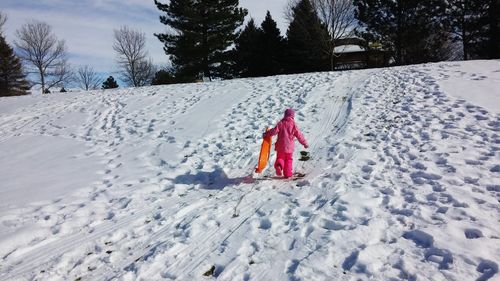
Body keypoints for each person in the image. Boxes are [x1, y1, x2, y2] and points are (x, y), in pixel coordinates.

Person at [264, 108, 308, 178]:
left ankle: (279, 166)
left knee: (280, 157)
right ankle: (287, 174)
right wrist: (304, 143)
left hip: (280, 146)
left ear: (285, 115)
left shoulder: (281, 123)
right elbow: (299, 135)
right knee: (288, 160)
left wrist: (267, 134)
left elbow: (274, 131)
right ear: (292, 116)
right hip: (289, 147)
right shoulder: (293, 124)